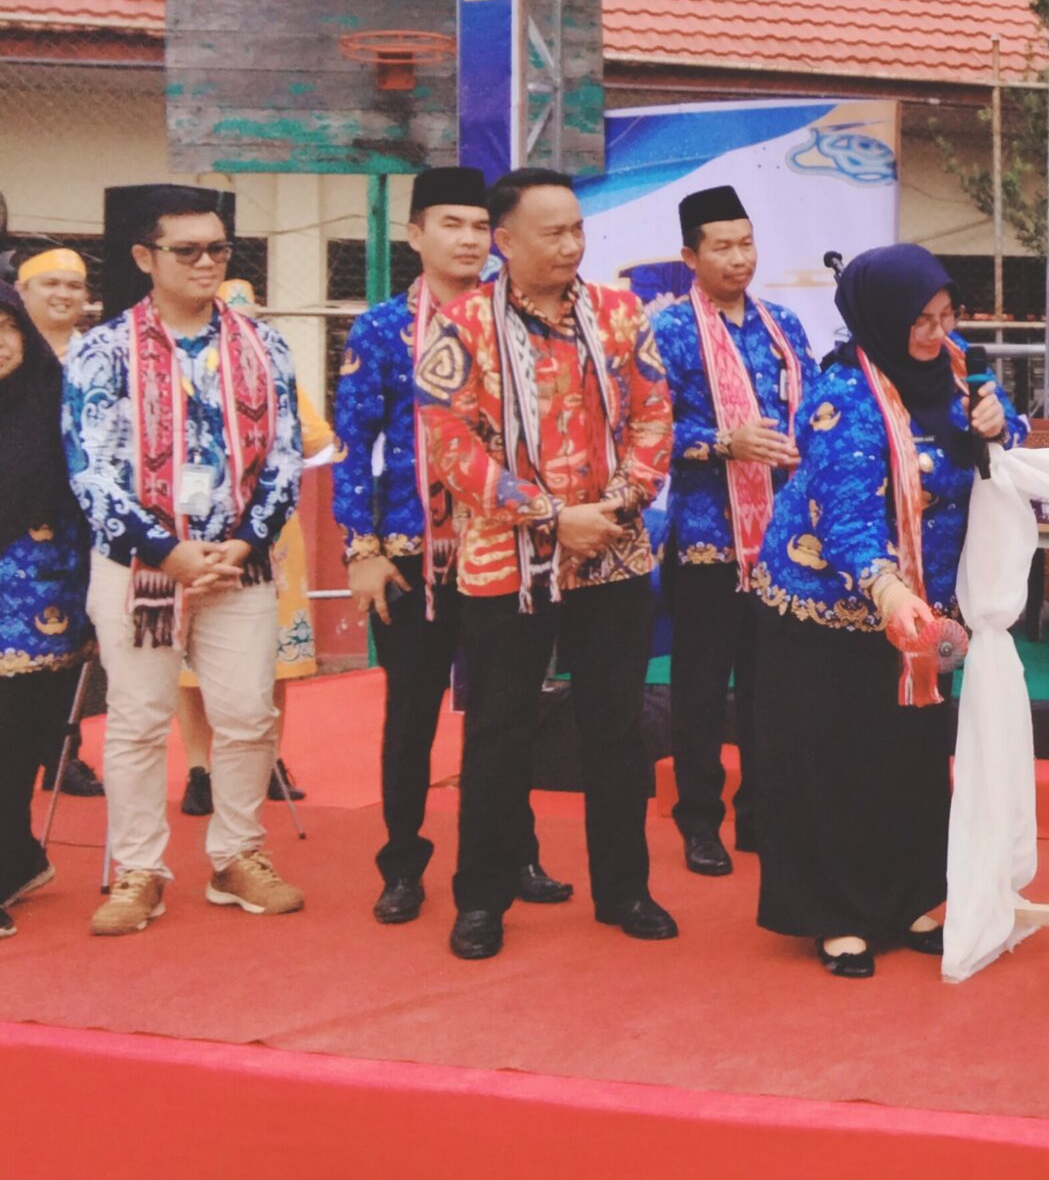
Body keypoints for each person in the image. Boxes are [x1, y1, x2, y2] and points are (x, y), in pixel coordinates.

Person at [416, 167, 674, 961]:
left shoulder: (622, 315)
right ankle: (482, 899)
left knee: (617, 728)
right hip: (507, 560)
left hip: (614, 551)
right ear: (505, 241)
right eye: (552, 233)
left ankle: (625, 888)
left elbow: (655, 414)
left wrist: (617, 506)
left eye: (577, 229)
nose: (572, 245)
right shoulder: (460, 327)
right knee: (498, 732)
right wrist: (553, 517)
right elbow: (449, 445)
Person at [752, 245, 1022, 979]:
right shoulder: (844, 400)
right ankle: (836, 915)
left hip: (922, 609)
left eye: (946, 316)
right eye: (921, 323)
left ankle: (912, 897)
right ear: (879, 321)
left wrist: (1001, 425)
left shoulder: (962, 367)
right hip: (831, 607)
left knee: (910, 759)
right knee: (838, 761)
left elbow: (1009, 440)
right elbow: (844, 519)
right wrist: (888, 588)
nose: (938, 334)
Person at [65, 184, 306, 935]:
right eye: (187, 250)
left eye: (219, 249)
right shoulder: (101, 350)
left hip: (239, 564)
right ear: (145, 258)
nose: (207, 262)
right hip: (141, 568)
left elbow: (287, 456)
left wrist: (243, 543)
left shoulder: (263, 344)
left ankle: (236, 856)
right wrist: (166, 551)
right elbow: (89, 469)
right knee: (136, 721)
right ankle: (139, 870)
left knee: (245, 713)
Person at [334, 167, 569, 925]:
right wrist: (360, 549)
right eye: (450, 225)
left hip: (507, 546)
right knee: (412, 713)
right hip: (411, 555)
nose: (467, 240)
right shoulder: (379, 329)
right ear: (415, 235)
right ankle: (402, 863)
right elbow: (353, 447)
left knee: (509, 711)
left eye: (478, 226)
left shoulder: (529, 318)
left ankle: (513, 849)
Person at [648, 185, 813, 878]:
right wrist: (723, 442)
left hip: (782, 542)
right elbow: (650, 430)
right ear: (691, 255)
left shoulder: (785, 325)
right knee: (700, 687)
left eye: (746, 243)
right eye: (722, 246)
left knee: (771, 687)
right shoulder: (667, 330)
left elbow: (810, 413)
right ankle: (699, 820)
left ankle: (763, 815)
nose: (739, 257)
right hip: (706, 539)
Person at [174, 278, 326, 813]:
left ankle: (269, 760)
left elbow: (314, 434)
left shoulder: (272, 364)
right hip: (189, 529)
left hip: (267, 534)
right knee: (188, 659)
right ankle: (199, 767)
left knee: (272, 655)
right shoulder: (175, 365)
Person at [1, 283, 89, 938]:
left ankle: (16, 855)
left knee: (27, 736)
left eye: (6, 327)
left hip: (42, 601)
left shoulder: (55, 400)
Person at [12, 247, 102, 801]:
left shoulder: (98, 356)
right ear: (21, 293)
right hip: (15, 526)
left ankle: (63, 752)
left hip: (81, 524)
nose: (64, 295)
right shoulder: (10, 354)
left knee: (76, 641)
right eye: (50, 284)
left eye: (75, 285)